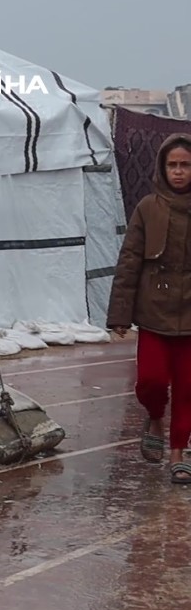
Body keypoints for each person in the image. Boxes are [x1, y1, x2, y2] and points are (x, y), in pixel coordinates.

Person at [108, 133, 191, 483]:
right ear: (162, 168)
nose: (179, 172)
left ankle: (178, 452)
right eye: (172, 165)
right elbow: (129, 263)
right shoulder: (147, 208)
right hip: (154, 312)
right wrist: (119, 315)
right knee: (151, 382)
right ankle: (155, 416)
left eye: (185, 165)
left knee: (188, 388)